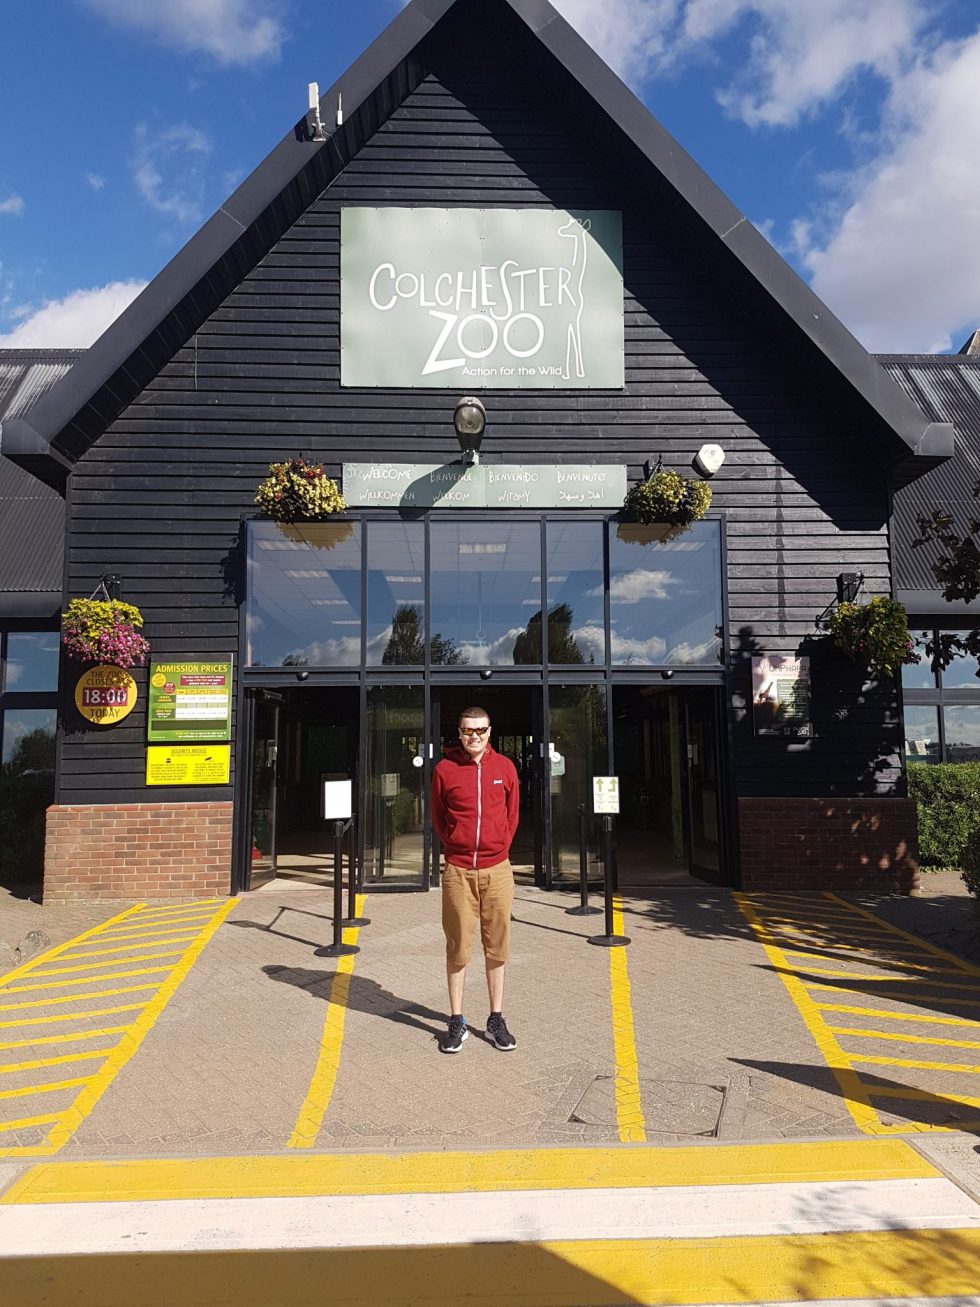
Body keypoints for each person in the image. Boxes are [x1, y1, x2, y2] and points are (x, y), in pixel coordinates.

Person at [431, 706, 519, 1054]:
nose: (475, 736)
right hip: (458, 871)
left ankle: (496, 1019)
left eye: (481, 730)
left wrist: (499, 847)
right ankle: (457, 1020)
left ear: (489, 731)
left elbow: (512, 815)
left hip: (498, 870)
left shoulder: (505, 768)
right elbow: (439, 817)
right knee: (458, 947)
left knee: (497, 945)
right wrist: (456, 845)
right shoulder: (444, 770)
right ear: (460, 732)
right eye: (468, 730)